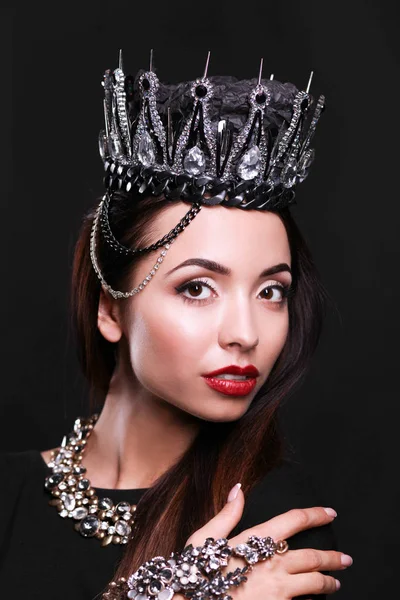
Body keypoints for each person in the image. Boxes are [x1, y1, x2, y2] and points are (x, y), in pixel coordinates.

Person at [0, 51, 353, 600]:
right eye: (197, 288)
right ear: (110, 308)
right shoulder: (8, 492)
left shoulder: (273, 529)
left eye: (271, 291)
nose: (246, 333)